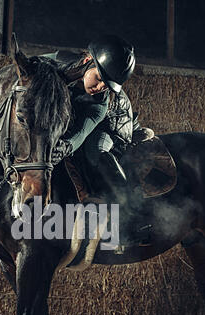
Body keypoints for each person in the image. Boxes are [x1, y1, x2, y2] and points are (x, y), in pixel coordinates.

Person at [46, 34, 154, 201]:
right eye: (99, 78)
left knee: (94, 149)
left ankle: (130, 206)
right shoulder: (56, 61)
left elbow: (81, 131)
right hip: (76, 111)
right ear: (87, 60)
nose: (100, 87)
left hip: (113, 120)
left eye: (108, 84)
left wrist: (66, 147)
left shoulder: (101, 102)